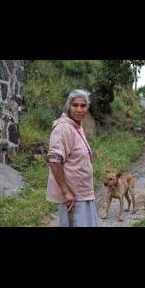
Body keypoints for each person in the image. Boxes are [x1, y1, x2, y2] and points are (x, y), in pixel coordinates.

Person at [46, 89, 99, 227]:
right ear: (68, 106)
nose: (79, 109)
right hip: (72, 198)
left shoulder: (76, 127)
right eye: (75, 105)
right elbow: (54, 160)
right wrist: (66, 192)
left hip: (83, 193)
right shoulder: (63, 128)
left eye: (83, 106)